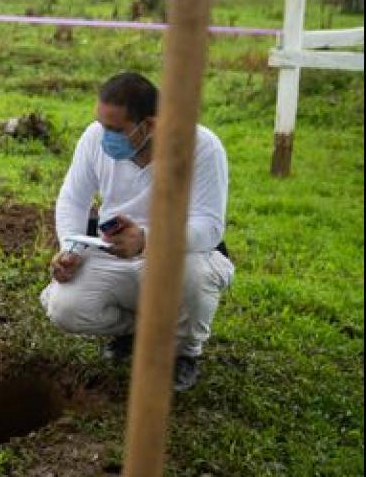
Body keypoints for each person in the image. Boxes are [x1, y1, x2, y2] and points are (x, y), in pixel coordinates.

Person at [40, 72, 235, 392]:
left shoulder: (202, 147)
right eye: (102, 125)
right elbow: (73, 199)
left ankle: (182, 354)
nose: (105, 136)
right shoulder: (94, 139)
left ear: (151, 125)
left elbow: (209, 227)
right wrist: (70, 248)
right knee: (65, 308)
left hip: (178, 256)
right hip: (113, 252)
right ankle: (140, 333)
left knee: (193, 277)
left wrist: (146, 239)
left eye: (116, 130)